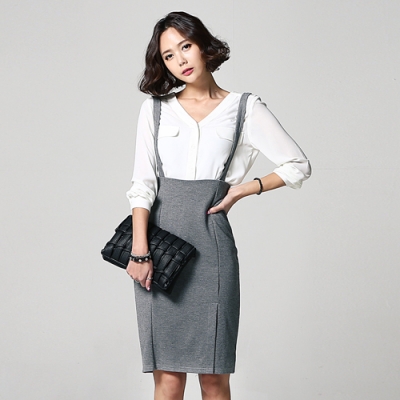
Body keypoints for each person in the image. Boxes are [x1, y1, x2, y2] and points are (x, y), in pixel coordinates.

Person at [125, 11, 311, 400]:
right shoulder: (155, 109)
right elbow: (143, 185)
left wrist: (243, 190)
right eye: (169, 55)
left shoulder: (244, 108)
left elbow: (298, 165)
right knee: (167, 377)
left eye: (186, 47)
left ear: (203, 45)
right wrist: (139, 250)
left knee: (213, 379)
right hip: (158, 249)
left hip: (211, 249)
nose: (180, 60)